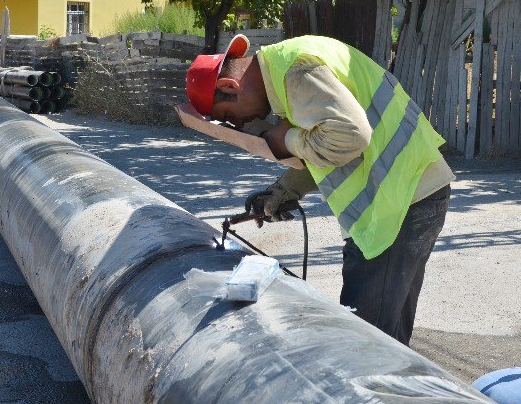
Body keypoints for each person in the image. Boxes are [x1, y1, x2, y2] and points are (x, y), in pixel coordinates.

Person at [185, 34, 455, 346]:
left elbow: (349, 137)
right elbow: (323, 141)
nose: (248, 122)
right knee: (389, 340)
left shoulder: (297, 73)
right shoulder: (289, 61)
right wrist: (285, 190)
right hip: (410, 195)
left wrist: (281, 139)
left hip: (398, 206)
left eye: (231, 117)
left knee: (365, 345)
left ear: (230, 87)